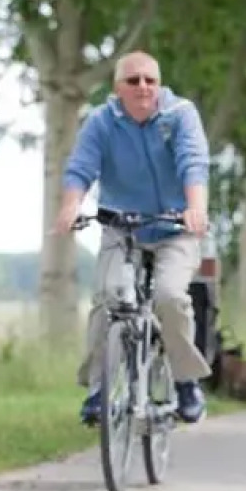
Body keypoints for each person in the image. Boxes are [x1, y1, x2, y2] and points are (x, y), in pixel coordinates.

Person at [55, 50, 213, 426]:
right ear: (117, 88)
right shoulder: (101, 122)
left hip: (175, 227)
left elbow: (194, 162)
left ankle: (185, 379)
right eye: (133, 80)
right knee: (108, 298)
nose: (143, 87)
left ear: (159, 85)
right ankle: (98, 390)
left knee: (171, 297)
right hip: (122, 227)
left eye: (150, 80)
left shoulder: (180, 115)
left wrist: (195, 209)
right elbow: (80, 168)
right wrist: (70, 207)